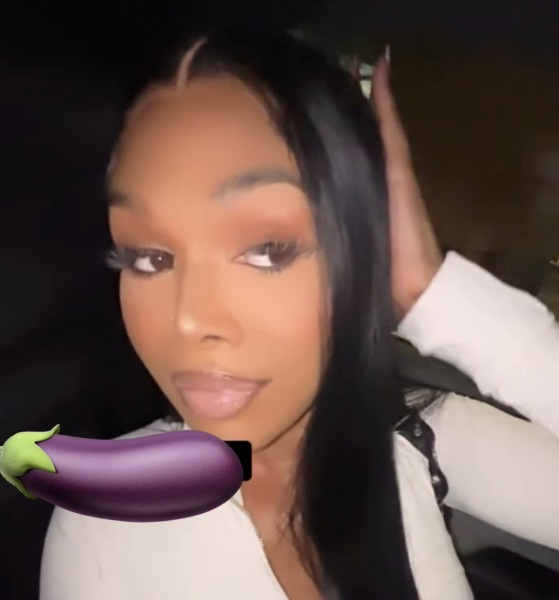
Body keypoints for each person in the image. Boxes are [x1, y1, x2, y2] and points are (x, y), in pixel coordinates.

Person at [39, 26, 559, 600]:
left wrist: (429, 292)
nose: (187, 321)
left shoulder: (417, 437)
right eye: (149, 257)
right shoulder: (106, 518)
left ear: (358, 254)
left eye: (267, 250)